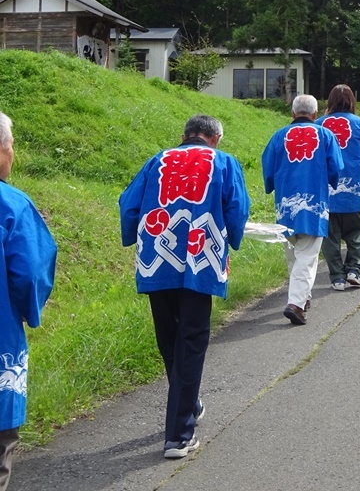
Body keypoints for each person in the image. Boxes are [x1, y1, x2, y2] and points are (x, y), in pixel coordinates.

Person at [119, 114, 249, 460]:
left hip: (156, 258)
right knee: (191, 340)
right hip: (199, 259)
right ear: (215, 139)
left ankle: (188, 403)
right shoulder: (223, 162)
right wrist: (230, 242)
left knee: (169, 338)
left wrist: (130, 235)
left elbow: (128, 204)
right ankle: (178, 435)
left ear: (185, 136)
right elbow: (237, 209)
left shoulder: (157, 160)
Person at [0, 110, 57, 491]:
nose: (13, 154)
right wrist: (29, 311)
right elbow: (31, 273)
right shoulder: (12, 205)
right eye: (11, 145)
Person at [262, 95, 343, 325]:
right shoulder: (325, 135)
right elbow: (336, 168)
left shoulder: (279, 136)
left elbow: (268, 168)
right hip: (314, 203)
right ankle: (296, 303)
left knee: (293, 253)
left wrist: (272, 185)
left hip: (286, 204)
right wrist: (332, 181)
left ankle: (302, 297)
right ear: (316, 115)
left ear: (293, 113)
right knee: (307, 256)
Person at [316, 84, 360, 290]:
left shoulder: (318, 125)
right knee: (355, 232)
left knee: (330, 236)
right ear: (353, 101)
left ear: (329, 102)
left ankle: (337, 277)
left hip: (326, 192)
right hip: (355, 189)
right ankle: (354, 270)